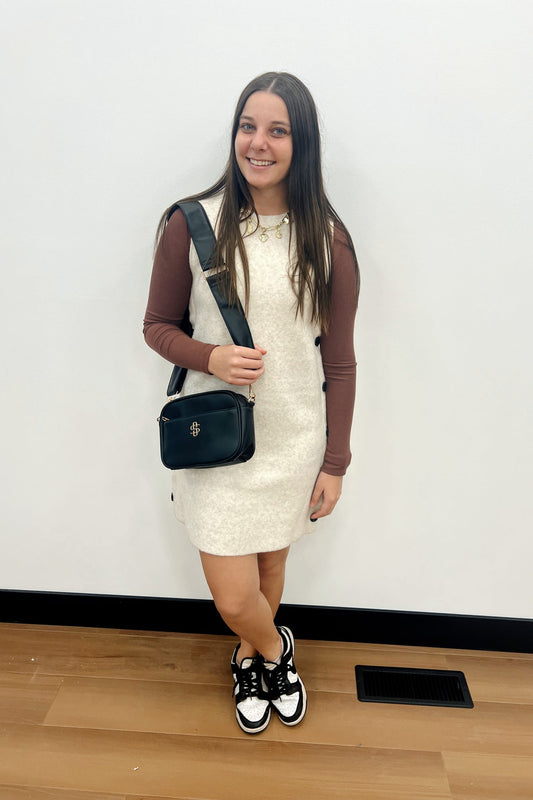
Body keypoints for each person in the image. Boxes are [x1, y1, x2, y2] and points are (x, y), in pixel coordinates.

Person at [143, 72, 359, 735]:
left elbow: (340, 360)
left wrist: (335, 461)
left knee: (269, 567)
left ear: (302, 144)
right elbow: (157, 327)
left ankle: (250, 660)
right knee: (235, 593)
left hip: (293, 439)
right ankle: (274, 649)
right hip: (217, 440)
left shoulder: (328, 240)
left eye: (277, 130)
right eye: (248, 126)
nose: (257, 143)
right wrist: (209, 356)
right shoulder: (192, 223)